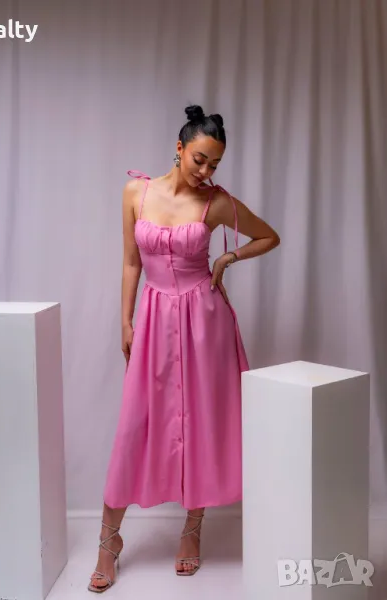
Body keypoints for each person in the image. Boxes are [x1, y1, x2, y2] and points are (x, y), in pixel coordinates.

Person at [88, 104, 280, 593]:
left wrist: (228, 257)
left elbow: (268, 236)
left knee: (199, 421)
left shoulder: (216, 203)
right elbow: (132, 262)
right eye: (199, 159)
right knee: (135, 425)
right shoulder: (136, 192)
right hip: (153, 319)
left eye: (214, 164)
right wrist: (125, 319)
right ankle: (109, 540)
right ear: (179, 148)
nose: (205, 171)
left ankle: (192, 529)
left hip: (204, 323)